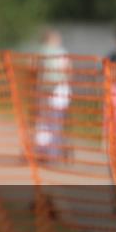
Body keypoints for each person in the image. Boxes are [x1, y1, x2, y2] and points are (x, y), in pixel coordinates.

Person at [35, 29, 71, 164]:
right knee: (55, 124)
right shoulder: (61, 53)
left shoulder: (41, 52)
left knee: (44, 124)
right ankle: (52, 153)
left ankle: (43, 151)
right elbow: (68, 71)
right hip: (57, 93)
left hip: (45, 92)